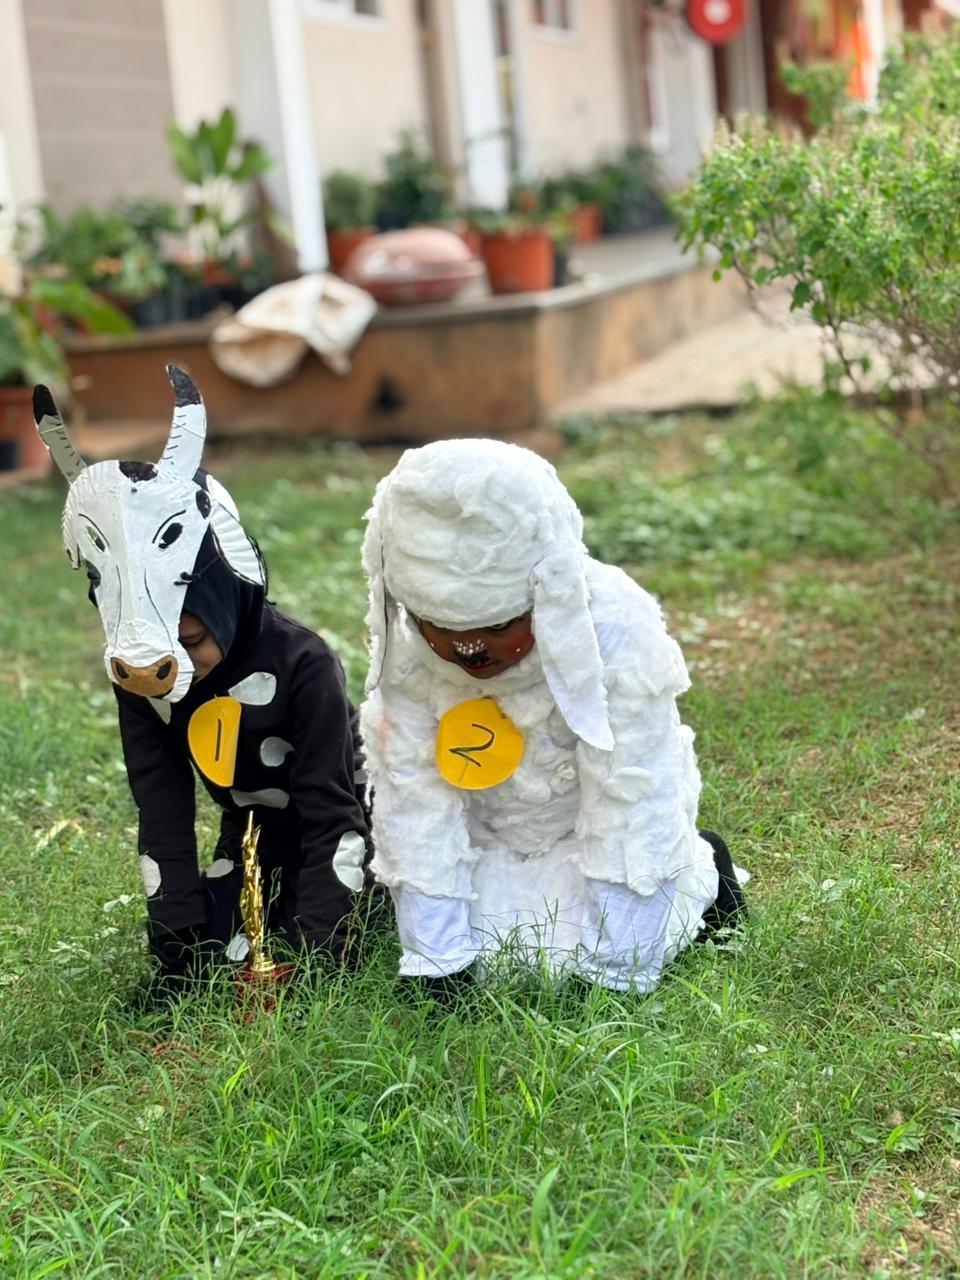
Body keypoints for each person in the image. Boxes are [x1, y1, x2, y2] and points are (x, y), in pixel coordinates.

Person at [34, 367, 371, 1007]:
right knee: (222, 943)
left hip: (344, 829)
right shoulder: (145, 669)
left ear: (222, 601)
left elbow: (336, 812)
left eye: (193, 642)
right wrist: (176, 948)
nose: (183, 661)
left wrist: (325, 952)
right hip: (248, 834)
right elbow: (161, 807)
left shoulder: (305, 663)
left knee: (312, 937)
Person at [359, 438, 746, 995]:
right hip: (490, 836)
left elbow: (632, 795)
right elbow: (414, 795)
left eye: (497, 627)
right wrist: (436, 959)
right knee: (496, 956)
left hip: (582, 829)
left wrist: (617, 969)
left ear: (550, 593)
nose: (469, 653)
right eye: (440, 628)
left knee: (561, 957)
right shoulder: (408, 652)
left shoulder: (610, 630)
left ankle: (702, 873)